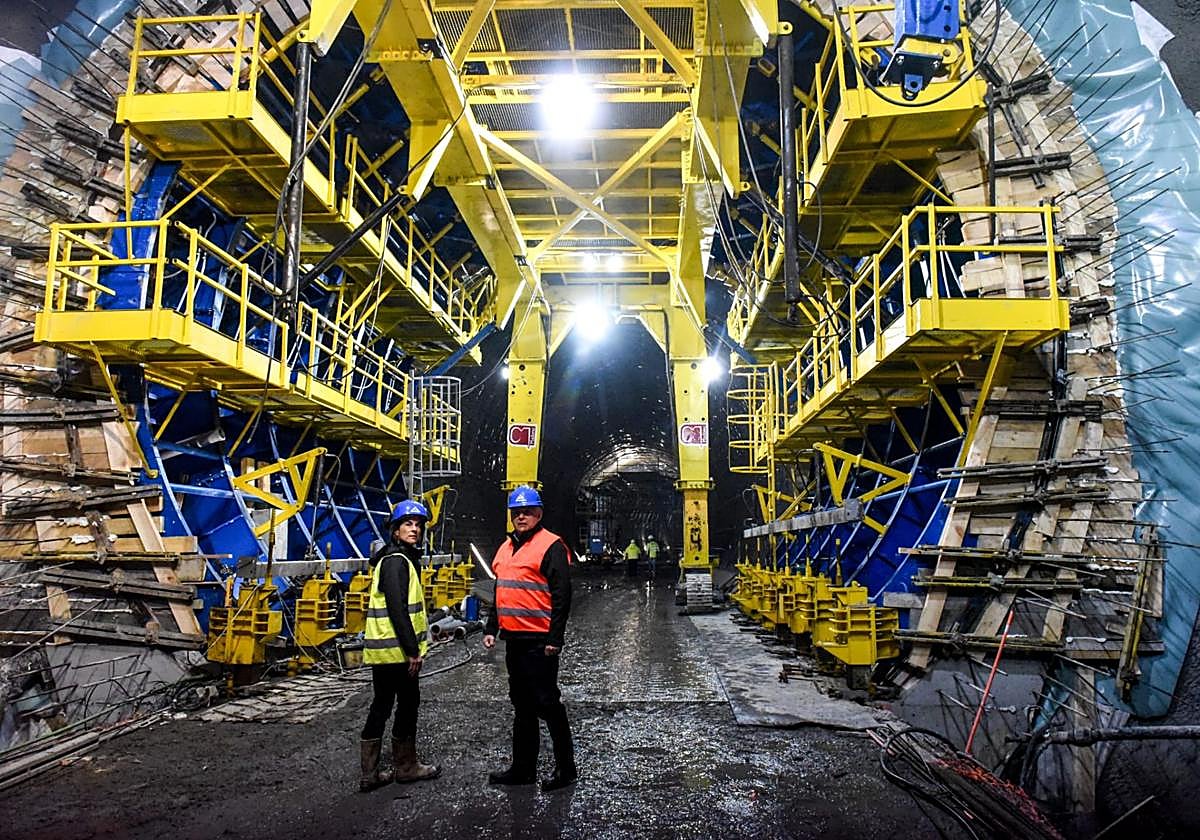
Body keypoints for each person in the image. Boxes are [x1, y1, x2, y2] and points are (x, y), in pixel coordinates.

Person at [483, 485, 577, 792]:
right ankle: (523, 769)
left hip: (540, 642)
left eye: (527, 511)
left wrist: (555, 638)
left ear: (539, 513)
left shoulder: (551, 546)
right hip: (515, 640)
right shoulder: (505, 548)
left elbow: (562, 596)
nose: (521, 516)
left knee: (548, 703)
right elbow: (501, 590)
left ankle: (566, 770)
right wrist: (490, 627)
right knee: (522, 705)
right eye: (516, 512)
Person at [358, 499, 441, 791]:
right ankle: (406, 767)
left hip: (387, 651)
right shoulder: (397, 561)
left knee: (382, 705)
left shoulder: (394, 558)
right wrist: (412, 651)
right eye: (408, 524)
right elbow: (397, 608)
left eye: (418, 525)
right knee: (406, 705)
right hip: (397, 652)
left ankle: (371, 774)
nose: (415, 529)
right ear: (395, 530)